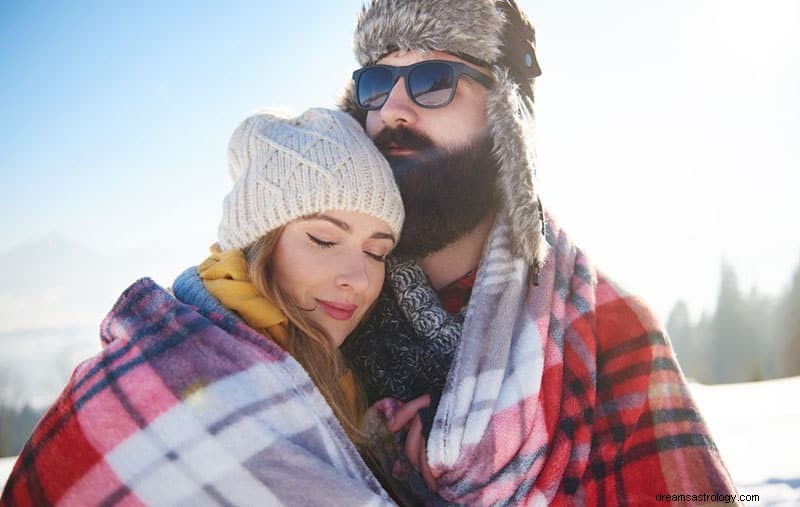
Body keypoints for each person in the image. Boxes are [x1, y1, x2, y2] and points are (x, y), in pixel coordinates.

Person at [339, 1, 740, 505]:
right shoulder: (309, 311)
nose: (392, 110)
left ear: (507, 116)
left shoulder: (612, 334)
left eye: (433, 79)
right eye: (376, 84)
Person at [1, 108, 404, 506]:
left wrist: (384, 455)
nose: (360, 278)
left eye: (376, 252)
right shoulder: (166, 375)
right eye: (323, 239)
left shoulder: (327, 374)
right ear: (256, 244)